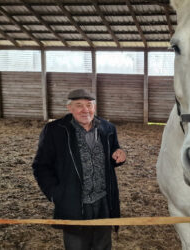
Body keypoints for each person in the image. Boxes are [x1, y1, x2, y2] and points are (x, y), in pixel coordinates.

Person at [32, 88, 126, 250]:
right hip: (74, 202)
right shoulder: (55, 130)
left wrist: (119, 156)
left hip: (103, 200)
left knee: (103, 245)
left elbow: (113, 154)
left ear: (94, 107)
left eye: (89, 105)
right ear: (70, 108)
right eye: (79, 105)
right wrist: (56, 194)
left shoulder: (108, 128)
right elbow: (41, 166)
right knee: (76, 246)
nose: (85, 110)